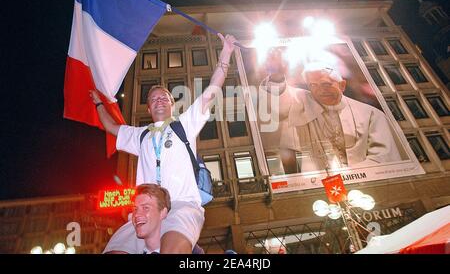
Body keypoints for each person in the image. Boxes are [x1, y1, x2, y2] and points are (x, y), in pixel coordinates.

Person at [92, 33, 237, 254]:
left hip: (181, 205)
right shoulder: (140, 135)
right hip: (145, 209)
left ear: (172, 104)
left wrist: (225, 54)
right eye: (153, 99)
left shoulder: (185, 124)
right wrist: (98, 103)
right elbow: (110, 127)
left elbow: (211, 91)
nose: (159, 100)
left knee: (172, 249)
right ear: (148, 109)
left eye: (164, 98)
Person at [260, 51, 403, 174]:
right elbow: (279, 97)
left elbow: (384, 158)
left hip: (366, 185)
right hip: (318, 186)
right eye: (313, 85)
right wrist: (277, 76)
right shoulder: (304, 102)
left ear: (342, 85)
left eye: (326, 84)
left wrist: (348, 176)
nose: (320, 90)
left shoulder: (371, 114)